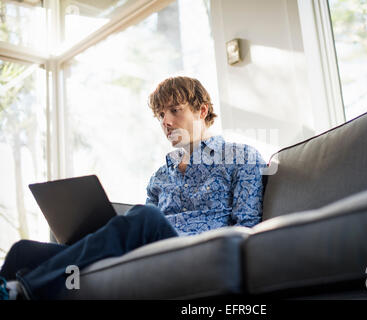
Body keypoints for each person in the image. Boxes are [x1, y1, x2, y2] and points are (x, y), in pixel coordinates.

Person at [0, 76, 266, 300]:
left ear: (202, 111)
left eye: (175, 110)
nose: (166, 122)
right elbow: (139, 233)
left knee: (145, 216)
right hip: (147, 252)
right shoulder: (160, 176)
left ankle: (28, 288)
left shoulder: (240, 157)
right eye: (161, 115)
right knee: (24, 251)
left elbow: (247, 225)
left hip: (196, 251)